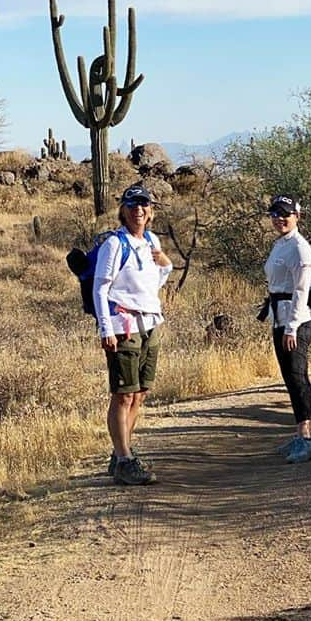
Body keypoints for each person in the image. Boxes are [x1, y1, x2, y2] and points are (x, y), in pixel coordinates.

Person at [93, 183, 173, 486]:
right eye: (133, 205)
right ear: (123, 211)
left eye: (144, 205)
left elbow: (156, 278)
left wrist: (167, 264)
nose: (139, 210)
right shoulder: (115, 244)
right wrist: (105, 328)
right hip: (122, 326)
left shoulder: (150, 240)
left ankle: (121, 452)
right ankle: (125, 459)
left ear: (150, 211)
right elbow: (100, 288)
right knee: (123, 394)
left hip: (149, 323)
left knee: (140, 392)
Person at [262, 194, 311, 463]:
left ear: (297, 215)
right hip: (280, 317)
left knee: (298, 376)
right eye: (275, 214)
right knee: (289, 377)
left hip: (294, 320)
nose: (279, 218)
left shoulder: (300, 248)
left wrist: (292, 327)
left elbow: (300, 290)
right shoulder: (280, 245)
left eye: (285, 214)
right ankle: (300, 434)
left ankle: (308, 437)